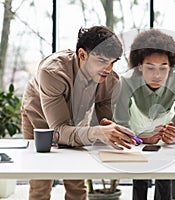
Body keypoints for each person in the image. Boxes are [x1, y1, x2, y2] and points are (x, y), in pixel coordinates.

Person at [21, 25, 136, 200]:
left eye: (113, 62)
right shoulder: (52, 72)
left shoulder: (110, 81)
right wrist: (95, 132)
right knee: (41, 182)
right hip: (39, 117)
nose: (109, 69)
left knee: (76, 181)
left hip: (74, 121)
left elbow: (103, 124)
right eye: (102, 61)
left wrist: (110, 130)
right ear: (82, 55)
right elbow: (58, 129)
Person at [113, 29, 175, 200]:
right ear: (139, 66)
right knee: (140, 176)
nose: (157, 75)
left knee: (165, 172)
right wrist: (142, 139)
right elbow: (121, 124)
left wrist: (174, 136)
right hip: (136, 129)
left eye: (163, 68)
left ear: (170, 67)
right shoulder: (126, 81)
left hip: (165, 129)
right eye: (150, 68)